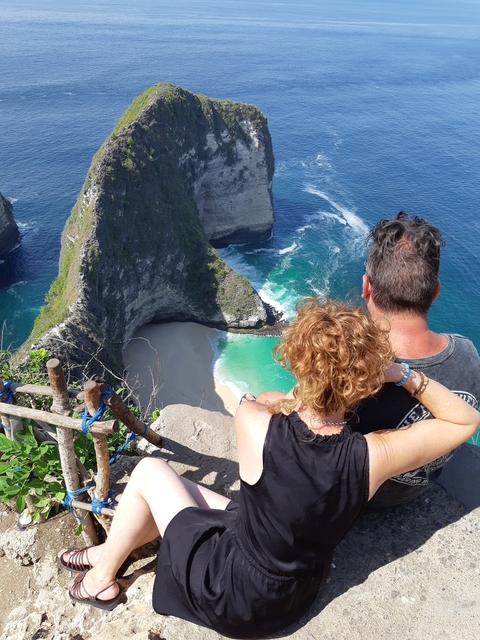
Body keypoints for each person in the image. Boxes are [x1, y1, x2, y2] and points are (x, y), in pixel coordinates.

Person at [60, 298, 480, 639]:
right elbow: (464, 420)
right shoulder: (372, 456)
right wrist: (405, 375)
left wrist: (309, 388)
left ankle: (101, 578)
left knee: (152, 473)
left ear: (298, 363)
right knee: (216, 510)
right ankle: (107, 551)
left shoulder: (256, 423)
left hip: (231, 593)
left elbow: (266, 397)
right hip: (290, 599)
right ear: (362, 383)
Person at [353, 211, 480, 507]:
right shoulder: (468, 353)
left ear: (366, 287)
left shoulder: (353, 371)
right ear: (434, 292)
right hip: (416, 490)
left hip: (359, 503)